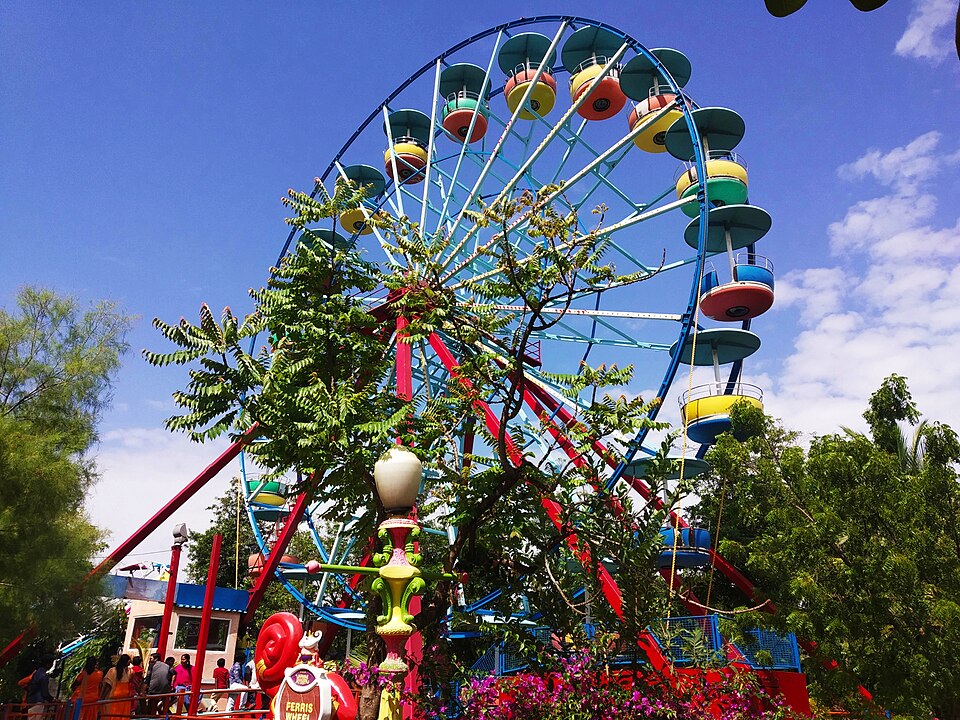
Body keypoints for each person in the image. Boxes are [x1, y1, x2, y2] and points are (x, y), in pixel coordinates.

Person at [100, 655, 135, 720]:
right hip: (124, 698)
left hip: (118, 697)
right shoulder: (130, 671)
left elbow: (107, 686)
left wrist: (102, 696)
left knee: (114, 716)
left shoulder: (113, 670)